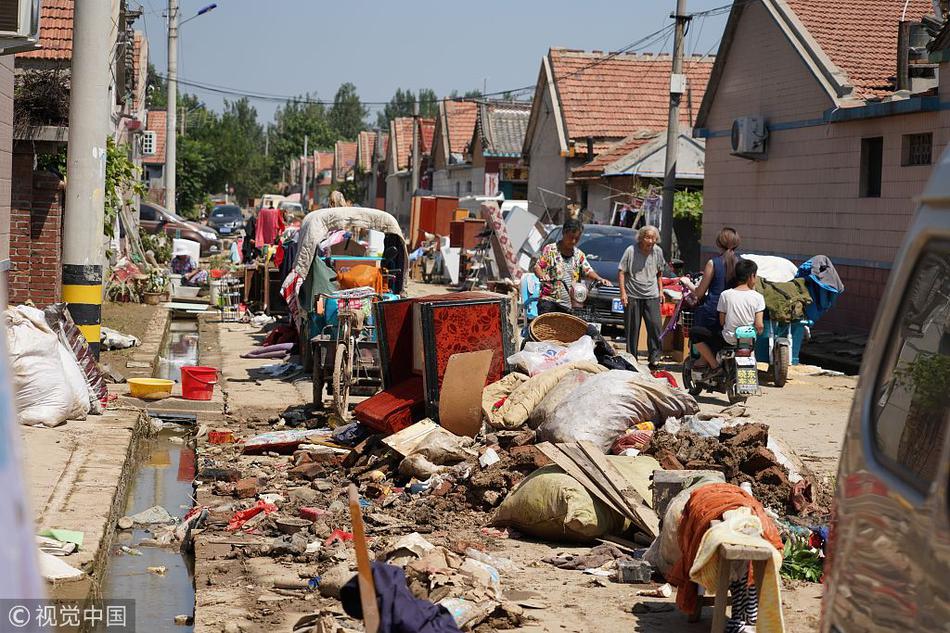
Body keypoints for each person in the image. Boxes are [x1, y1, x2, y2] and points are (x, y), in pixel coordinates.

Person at [534, 218, 612, 314]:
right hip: (549, 300)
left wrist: (599, 279)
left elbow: (588, 270)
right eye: (571, 237)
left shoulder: (579, 255)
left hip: (570, 304)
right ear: (564, 233)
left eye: (577, 238)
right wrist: (542, 276)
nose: (574, 241)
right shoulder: (550, 250)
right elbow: (538, 267)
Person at [691, 227, 741, 370]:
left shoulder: (713, 263)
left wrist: (688, 283)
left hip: (713, 312)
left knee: (695, 334)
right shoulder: (740, 264)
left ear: (719, 243)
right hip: (734, 313)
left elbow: (700, 293)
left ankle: (714, 365)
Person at [618, 225, 665, 370]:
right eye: (648, 237)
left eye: (653, 238)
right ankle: (632, 358)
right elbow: (621, 272)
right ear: (641, 237)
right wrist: (623, 293)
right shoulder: (631, 251)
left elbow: (659, 272)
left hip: (651, 294)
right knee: (633, 329)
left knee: (655, 326)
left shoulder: (657, 251)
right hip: (633, 294)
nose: (650, 241)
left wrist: (661, 291)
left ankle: (655, 358)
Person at [717, 258, 765, 352]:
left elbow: (722, 322)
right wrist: (759, 332)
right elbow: (759, 325)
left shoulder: (725, 294)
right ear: (752, 276)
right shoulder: (758, 297)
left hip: (729, 338)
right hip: (749, 340)